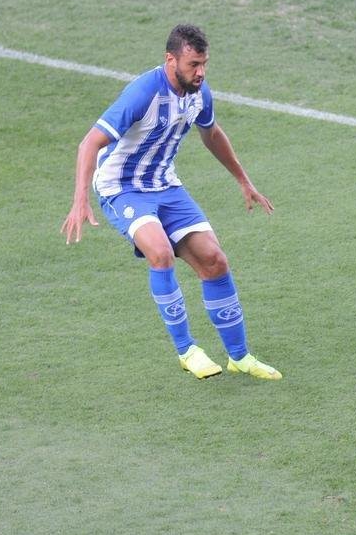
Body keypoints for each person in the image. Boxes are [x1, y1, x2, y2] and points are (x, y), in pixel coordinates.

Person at [61, 24, 282, 381]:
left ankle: (240, 357)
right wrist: (80, 200)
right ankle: (187, 351)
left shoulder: (199, 93)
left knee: (214, 260)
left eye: (204, 64)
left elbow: (211, 133)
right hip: (122, 188)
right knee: (161, 252)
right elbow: (89, 143)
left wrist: (243, 180)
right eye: (194, 64)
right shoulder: (143, 93)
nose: (201, 72)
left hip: (166, 186)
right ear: (170, 59)